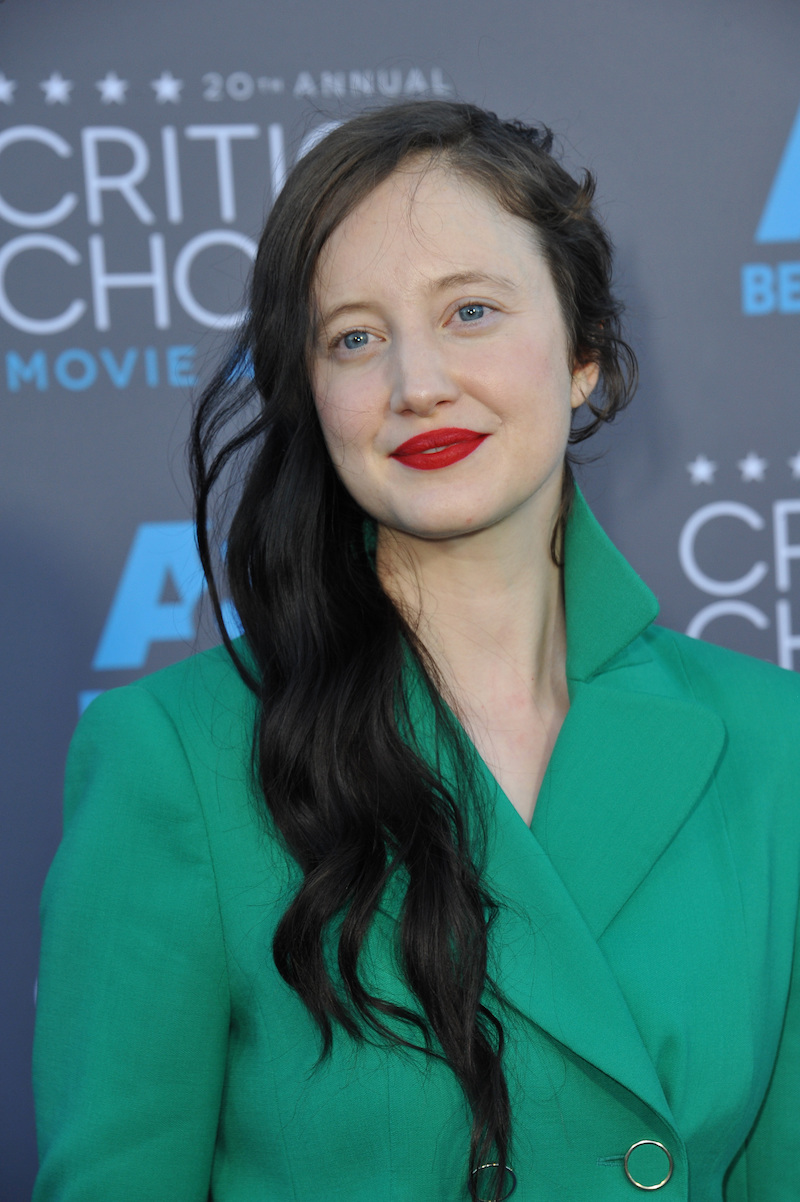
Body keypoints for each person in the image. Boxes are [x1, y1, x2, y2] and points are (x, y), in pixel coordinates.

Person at [33, 100, 800, 1201]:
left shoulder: (768, 740)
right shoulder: (174, 757)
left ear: (582, 353)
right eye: (354, 336)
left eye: (471, 311)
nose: (416, 382)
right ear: (312, 393)